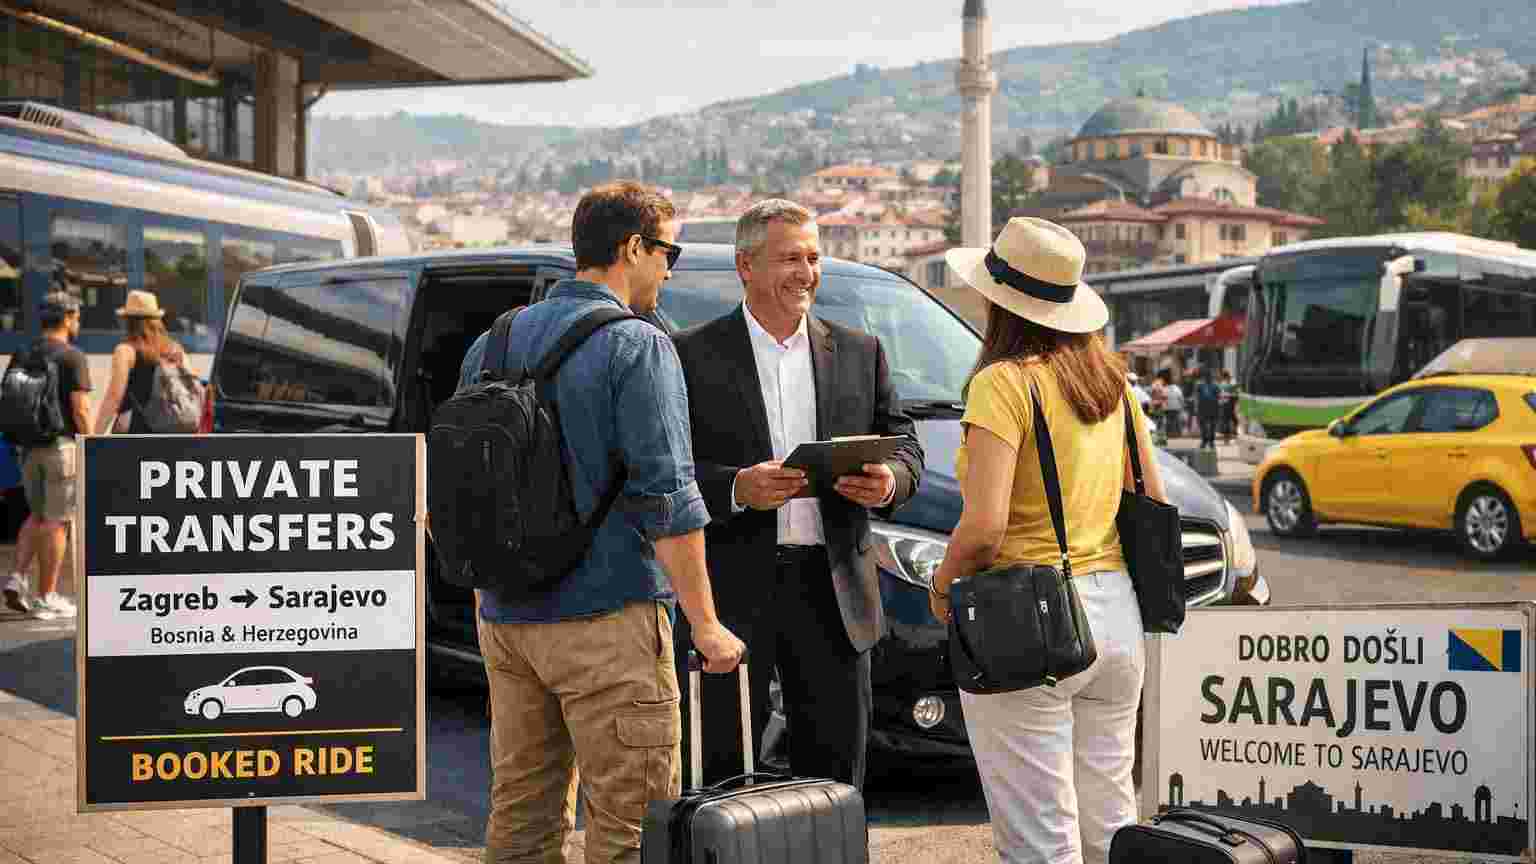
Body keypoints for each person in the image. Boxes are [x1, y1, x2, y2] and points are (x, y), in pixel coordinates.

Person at [454, 181, 745, 864]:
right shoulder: (637, 344)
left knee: (521, 818)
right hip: (608, 618)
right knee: (631, 828)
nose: (670, 271)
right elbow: (667, 496)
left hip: (506, 619)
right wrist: (705, 623)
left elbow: (463, 487)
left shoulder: (492, 343)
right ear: (633, 248)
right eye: (668, 252)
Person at [928, 217, 1167, 864]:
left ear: (1000, 303)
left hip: (1028, 620)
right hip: (1117, 613)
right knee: (1111, 824)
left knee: (1040, 840)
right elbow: (1151, 498)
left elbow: (984, 529)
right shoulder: (1112, 381)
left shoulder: (1002, 383)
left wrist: (942, 585)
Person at [672, 199, 924, 791]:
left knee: (836, 783)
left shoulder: (861, 351)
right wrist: (737, 487)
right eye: (790, 259)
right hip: (734, 595)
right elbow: (669, 474)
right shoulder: (690, 355)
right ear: (746, 265)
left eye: (813, 258)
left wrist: (890, 481)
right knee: (721, 775)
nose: (806, 273)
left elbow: (907, 446)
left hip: (834, 593)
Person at [3, 292, 90, 619]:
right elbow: (80, 409)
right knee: (57, 523)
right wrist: (91, 444)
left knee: (36, 516)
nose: (78, 322)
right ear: (67, 317)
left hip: (28, 448)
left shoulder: (23, 352)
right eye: (76, 316)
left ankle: (17, 578)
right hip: (61, 449)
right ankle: (46, 597)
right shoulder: (72, 356)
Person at [92, 290, 186, 435]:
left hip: (134, 432)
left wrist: (94, 436)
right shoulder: (175, 349)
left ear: (128, 321)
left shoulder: (125, 351)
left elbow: (114, 397)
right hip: (170, 430)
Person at [1196, 367, 1221, 450]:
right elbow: (1197, 397)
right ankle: (1205, 440)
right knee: (1204, 425)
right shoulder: (1200, 385)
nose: (1208, 377)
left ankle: (1210, 441)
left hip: (1211, 408)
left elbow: (1218, 397)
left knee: (1212, 425)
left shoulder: (1215, 386)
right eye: (1207, 376)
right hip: (1204, 409)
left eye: (1209, 376)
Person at [1160, 370, 1185, 440]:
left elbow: (1163, 398)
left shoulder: (1165, 388)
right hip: (1176, 407)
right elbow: (1181, 398)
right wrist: (1182, 405)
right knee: (1176, 420)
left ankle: (1169, 434)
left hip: (1168, 408)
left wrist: (1163, 406)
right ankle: (1177, 434)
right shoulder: (1177, 388)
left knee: (1169, 421)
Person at [1218, 368, 1238, 443]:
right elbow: (1234, 390)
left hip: (1225, 404)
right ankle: (1228, 436)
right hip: (1228, 403)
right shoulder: (1229, 383)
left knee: (1228, 420)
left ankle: (1228, 436)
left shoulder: (1222, 384)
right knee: (1229, 420)